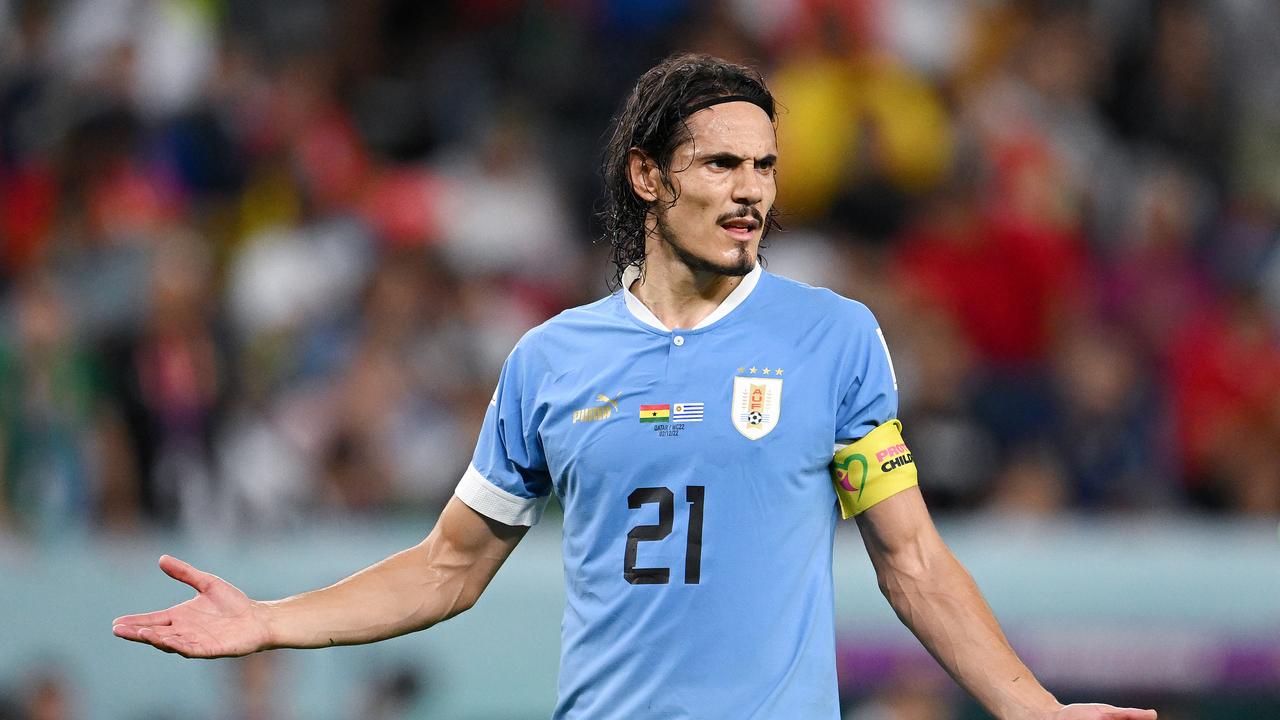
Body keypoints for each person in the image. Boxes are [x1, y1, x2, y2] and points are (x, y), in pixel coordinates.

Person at [114, 53, 1157, 720]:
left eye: (763, 167)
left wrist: (1036, 713)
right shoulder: (548, 361)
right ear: (647, 177)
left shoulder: (832, 338)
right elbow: (448, 567)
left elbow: (911, 559)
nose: (750, 192)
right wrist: (272, 620)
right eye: (718, 166)